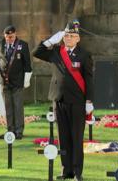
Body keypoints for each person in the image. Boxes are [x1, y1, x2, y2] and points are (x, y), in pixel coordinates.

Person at [32, 20, 93, 181]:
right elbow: (37, 52)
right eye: (66, 35)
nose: (68, 38)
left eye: (72, 36)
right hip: (59, 100)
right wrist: (51, 41)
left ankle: (77, 171)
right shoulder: (57, 52)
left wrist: (89, 101)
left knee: (76, 137)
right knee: (63, 136)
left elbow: (89, 79)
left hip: (77, 101)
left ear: (78, 38)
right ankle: (66, 170)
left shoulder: (84, 55)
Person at [0, 25, 32, 140]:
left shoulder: (23, 45)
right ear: (4, 36)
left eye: (11, 37)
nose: (9, 39)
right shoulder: (0, 43)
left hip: (17, 81)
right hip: (4, 81)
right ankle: (10, 130)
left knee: (17, 106)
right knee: (8, 107)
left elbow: (27, 65)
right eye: (7, 37)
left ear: (15, 34)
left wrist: (26, 79)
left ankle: (18, 131)